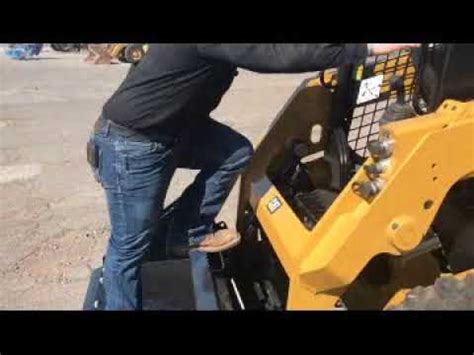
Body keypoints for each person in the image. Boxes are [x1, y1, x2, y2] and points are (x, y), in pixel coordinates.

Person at [88, 43, 419, 310]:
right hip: (132, 144)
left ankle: (186, 233)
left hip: (171, 131)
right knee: (129, 248)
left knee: (234, 152)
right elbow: (276, 54)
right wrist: (364, 47)